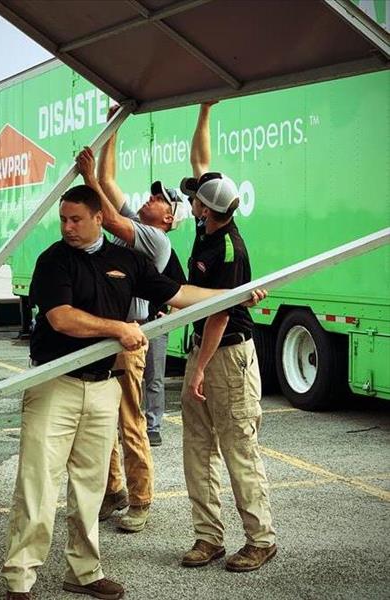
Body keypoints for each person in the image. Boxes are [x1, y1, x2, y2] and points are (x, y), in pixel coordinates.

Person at [1, 183, 266, 599]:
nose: (67, 228)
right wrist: (120, 329)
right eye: (63, 220)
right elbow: (62, 318)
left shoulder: (126, 260)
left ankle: (84, 572)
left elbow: (180, 294)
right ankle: (20, 578)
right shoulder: (54, 261)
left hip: (104, 386)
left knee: (90, 488)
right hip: (56, 384)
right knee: (38, 483)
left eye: (76, 220)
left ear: (98, 219)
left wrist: (235, 297)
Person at [178, 102, 277, 573]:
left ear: (208, 209)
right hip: (204, 349)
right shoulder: (207, 221)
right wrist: (204, 110)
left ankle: (261, 539)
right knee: (197, 447)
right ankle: (208, 538)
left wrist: (197, 368)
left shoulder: (229, 249)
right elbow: (201, 160)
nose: (191, 201)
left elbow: (218, 314)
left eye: (197, 199)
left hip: (228, 356)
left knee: (238, 449)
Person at [74, 137, 186, 535]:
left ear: (170, 218)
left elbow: (108, 210)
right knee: (98, 421)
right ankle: (114, 489)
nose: (151, 198)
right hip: (101, 339)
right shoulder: (136, 226)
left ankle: (140, 500)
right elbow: (109, 178)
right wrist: (113, 131)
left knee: (130, 422)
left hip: (127, 342)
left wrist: (88, 179)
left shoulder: (154, 239)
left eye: (160, 199)